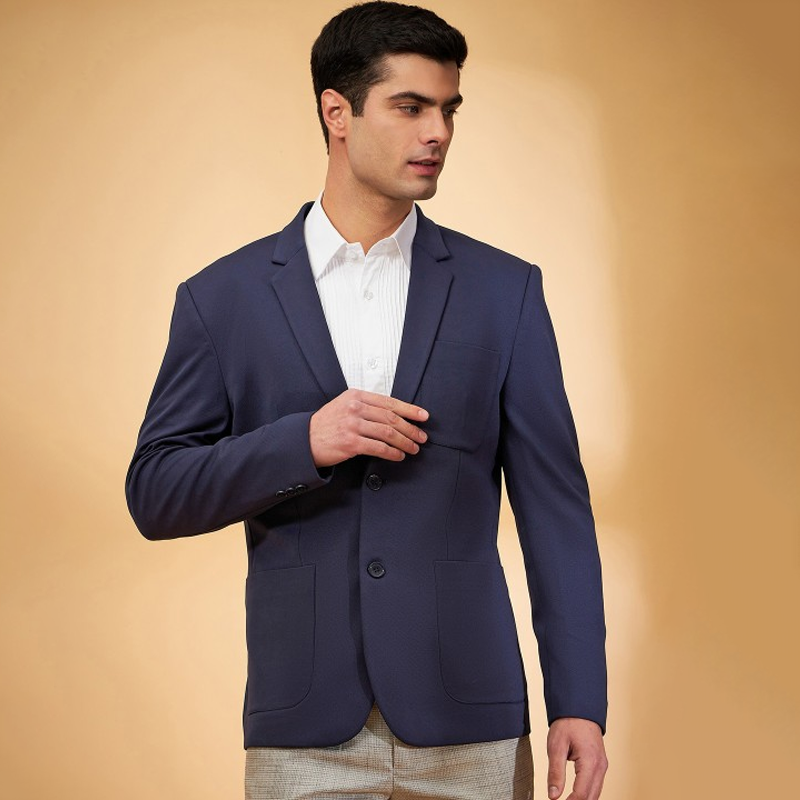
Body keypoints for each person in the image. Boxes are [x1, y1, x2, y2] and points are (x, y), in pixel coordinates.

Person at [125, 2, 609, 798]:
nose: (438, 133)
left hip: (473, 724)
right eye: (410, 107)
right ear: (337, 113)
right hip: (304, 730)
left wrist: (579, 701)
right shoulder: (223, 298)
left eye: (448, 110)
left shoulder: (505, 292)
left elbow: (555, 509)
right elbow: (155, 492)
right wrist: (304, 442)